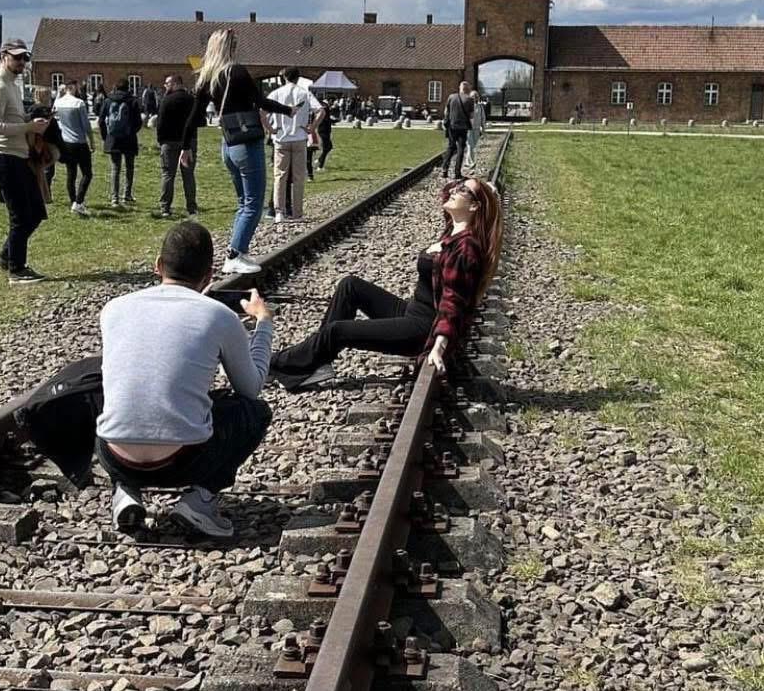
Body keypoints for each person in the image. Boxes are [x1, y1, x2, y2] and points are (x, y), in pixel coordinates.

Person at [95, 221, 274, 537]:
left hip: (115, 455)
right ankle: (199, 501)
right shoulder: (219, 316)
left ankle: (126, 492)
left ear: (158, 266)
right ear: (207, 277)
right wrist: (263, 323)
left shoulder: (113, 309)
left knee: (119, 397)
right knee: (254, 412)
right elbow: (251, 387)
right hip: (186, 461)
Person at [269, 177, 503, 391]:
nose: (454, 190)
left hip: (423, 329)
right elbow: (446, 192)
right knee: (350, 286)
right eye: (458, 185)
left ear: (474, 207)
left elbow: (454, 303)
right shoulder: (453, 231)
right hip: (411, 311)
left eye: (463, 190)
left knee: (337, 330)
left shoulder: (467, 249)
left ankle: (272, 364)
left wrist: (439, 348)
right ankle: (316, 362)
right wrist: (477, 188)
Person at [182, 28, 294, 275]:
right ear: (230, 47)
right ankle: (234, 254)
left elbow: (194, 116)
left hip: (229, 145)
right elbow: (261, 102)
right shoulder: (237, 71)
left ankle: (239, 251)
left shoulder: (207, 76)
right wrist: (288, 110)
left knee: (243, 202)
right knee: (253, 202)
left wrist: (185, 146)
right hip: (247, 143)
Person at [0, 39, 51, 284]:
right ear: (4, 56)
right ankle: (17, 269)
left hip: (19, 157)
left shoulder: (13, 85)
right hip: (4, 158)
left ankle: (5, 257)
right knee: (21, 216)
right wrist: (27, 126)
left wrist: (34, 119)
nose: (22, 62)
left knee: (34, 213)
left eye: (25, 58)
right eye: (17, 57)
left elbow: (13, 118)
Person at [266, 66, 321, 222]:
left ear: (285, 77)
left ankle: (279, 212)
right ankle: (297, 213)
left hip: (281, 139)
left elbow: (262, 112)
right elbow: (321, 111)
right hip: (299, 138)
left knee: (280, 176)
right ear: (298, 78)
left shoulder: (276, 93)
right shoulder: (305, 93)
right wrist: (312, 128)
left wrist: (271, 129)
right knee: (298, 178)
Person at [156, 73, 199, 219]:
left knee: (168, 174)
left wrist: (160, 140)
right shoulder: (191, 99)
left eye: (167, 83)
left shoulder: (166, 100)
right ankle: (191, 207)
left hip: (169, 141)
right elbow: (198, 121)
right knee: (188, 175)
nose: (165, 86)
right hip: (189, 141)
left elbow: (160, 122)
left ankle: (165, 207)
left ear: (175, 83)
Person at [98, 78, 142, 208]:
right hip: (129, 138)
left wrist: (105, 136)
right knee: (129, 167)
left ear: (115, 87)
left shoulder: (108, 100)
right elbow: (138, 122)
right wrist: (132, 131)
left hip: (113, 138)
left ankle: (114, 198)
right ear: (128, 87)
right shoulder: (132, 101)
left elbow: (101, 120)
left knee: (115, 168)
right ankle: (127, 194)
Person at [54, 83, 95, 216]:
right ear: (73, 89)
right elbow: (86, 125)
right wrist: (92, 141)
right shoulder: (79, 103)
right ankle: (78, 201)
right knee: (87, 174)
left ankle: (73, 201)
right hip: (80, 142)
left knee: (71, 174)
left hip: (66, 142)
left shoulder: (59, 103)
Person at [28, 86, 63, 202]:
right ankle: (44, 195)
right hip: (46, 144)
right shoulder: (45, 111)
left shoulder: (30, 109)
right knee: (46, 172)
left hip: (32, 143)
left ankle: (41, 194)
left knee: (36, 170)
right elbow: (53, 130)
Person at [441, 81, 475, 180]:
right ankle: (457, 172)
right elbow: (472, 116)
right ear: (468, 89)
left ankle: (444, 170)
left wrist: (446, 121)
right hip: (463, 127)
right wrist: (472, 127)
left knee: (451, 147)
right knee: (460, 149)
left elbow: (446, 111)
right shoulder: (469, 100)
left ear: (459, 88)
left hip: (452, 126)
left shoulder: (451, 97)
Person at [307, 98, 334, 175]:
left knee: (329, 147)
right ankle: (320, 166)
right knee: (326, 148)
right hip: (324, 130)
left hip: (324, 129)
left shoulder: (319, 108)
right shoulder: (323, 108)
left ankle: (319, 160)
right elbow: (325, 118)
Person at [464, 89, 486, 169]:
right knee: (470, 145)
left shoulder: (480, 106)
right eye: (473, 96)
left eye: (476, 96)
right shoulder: (467, 105)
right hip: (468, 128)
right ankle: (472, 163)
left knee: (474, 145)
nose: (475, 98)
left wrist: (483, 128)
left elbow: (483, 117)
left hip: (476, 128)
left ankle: (467, 162)